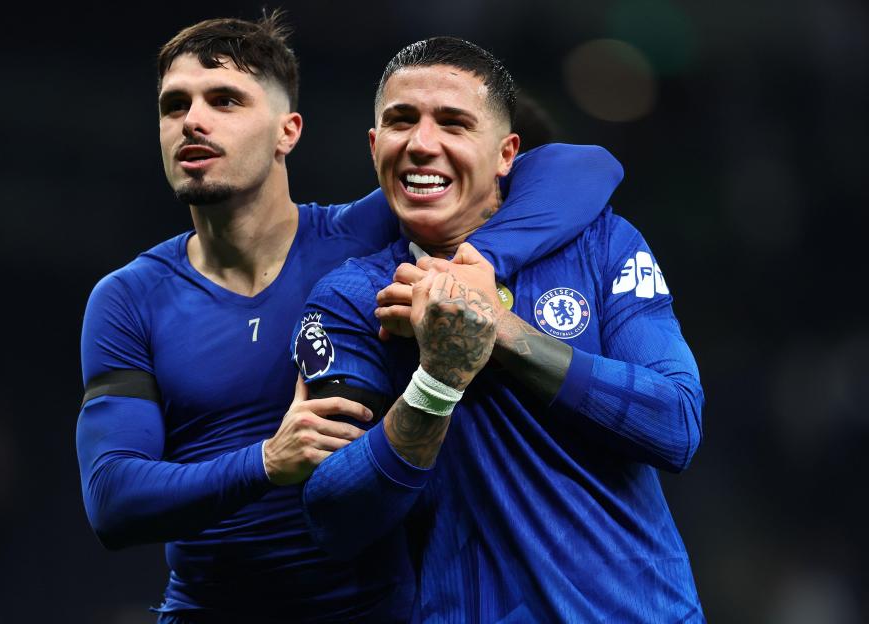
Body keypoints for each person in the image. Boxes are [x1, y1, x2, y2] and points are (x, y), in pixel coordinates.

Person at [75, 13, 623, 623]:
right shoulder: (127, 298)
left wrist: (477, 265)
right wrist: (265, 462)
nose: (193, 121)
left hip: (371, 611)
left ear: (288, 131)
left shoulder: (361, 236)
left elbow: (584, 167)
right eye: (174, 106)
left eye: (225, 100)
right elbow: (112, 499)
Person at [297, 36, 705, 622]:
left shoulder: (601, 242)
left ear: (507, 153)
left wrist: (503, 333)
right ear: (374, 144)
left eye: (454, 124)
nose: (421, 144)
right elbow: (336, 517)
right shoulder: (353, 299)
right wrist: (436, 382)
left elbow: (676, 425)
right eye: (401, 121)